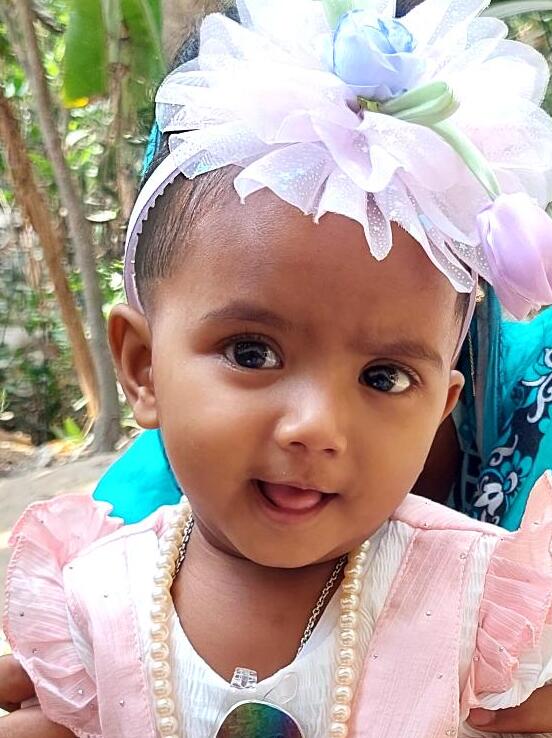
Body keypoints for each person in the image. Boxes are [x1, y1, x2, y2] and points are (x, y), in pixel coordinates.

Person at [3, 0, 552, 736]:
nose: (315, 426)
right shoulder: (96, 605)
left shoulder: (474, 608)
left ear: (439, 408)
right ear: (143, 367)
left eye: (385, 377)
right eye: (252, 353)